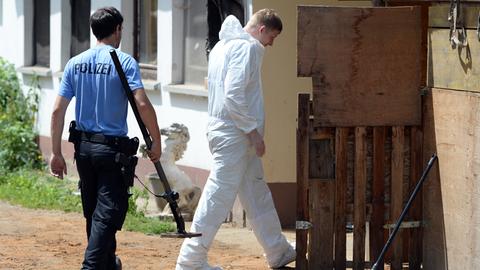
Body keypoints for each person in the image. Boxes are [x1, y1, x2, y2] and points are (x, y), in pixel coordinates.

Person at [176, 9, 295, 270]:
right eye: (272, 38)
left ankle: (277, 250)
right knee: (217, 196)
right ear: (262, 29)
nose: (271, 45)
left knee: (255, 191)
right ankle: (191, 260)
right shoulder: (247, 48)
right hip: (236, 136)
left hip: (229, 134)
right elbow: (233, 95)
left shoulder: (223, 47)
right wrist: (253, 132)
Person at [49, 7, 161, 270]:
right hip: (112, 152)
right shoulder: (124, 62)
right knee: (107, 214)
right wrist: (155, 140)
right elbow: (142, 104)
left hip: (84, 149)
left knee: (94, 212)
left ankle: (108, 263)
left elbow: (57, 110)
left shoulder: (75, 63)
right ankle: (91, 266)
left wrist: (55, 153)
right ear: (118, 29)